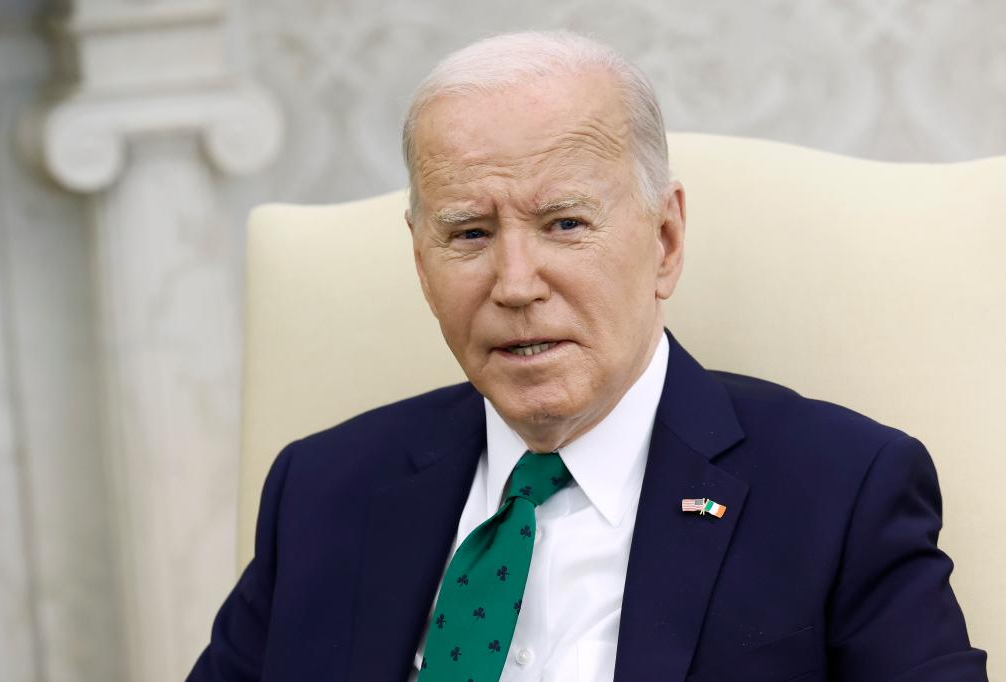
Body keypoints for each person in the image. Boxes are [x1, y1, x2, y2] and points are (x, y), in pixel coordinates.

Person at [188, 30, 988, 681]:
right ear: (420, 261)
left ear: (665, 241)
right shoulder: (322, 490)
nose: (515, 284)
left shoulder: (841, 488)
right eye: (469, 233)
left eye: (565, 224)